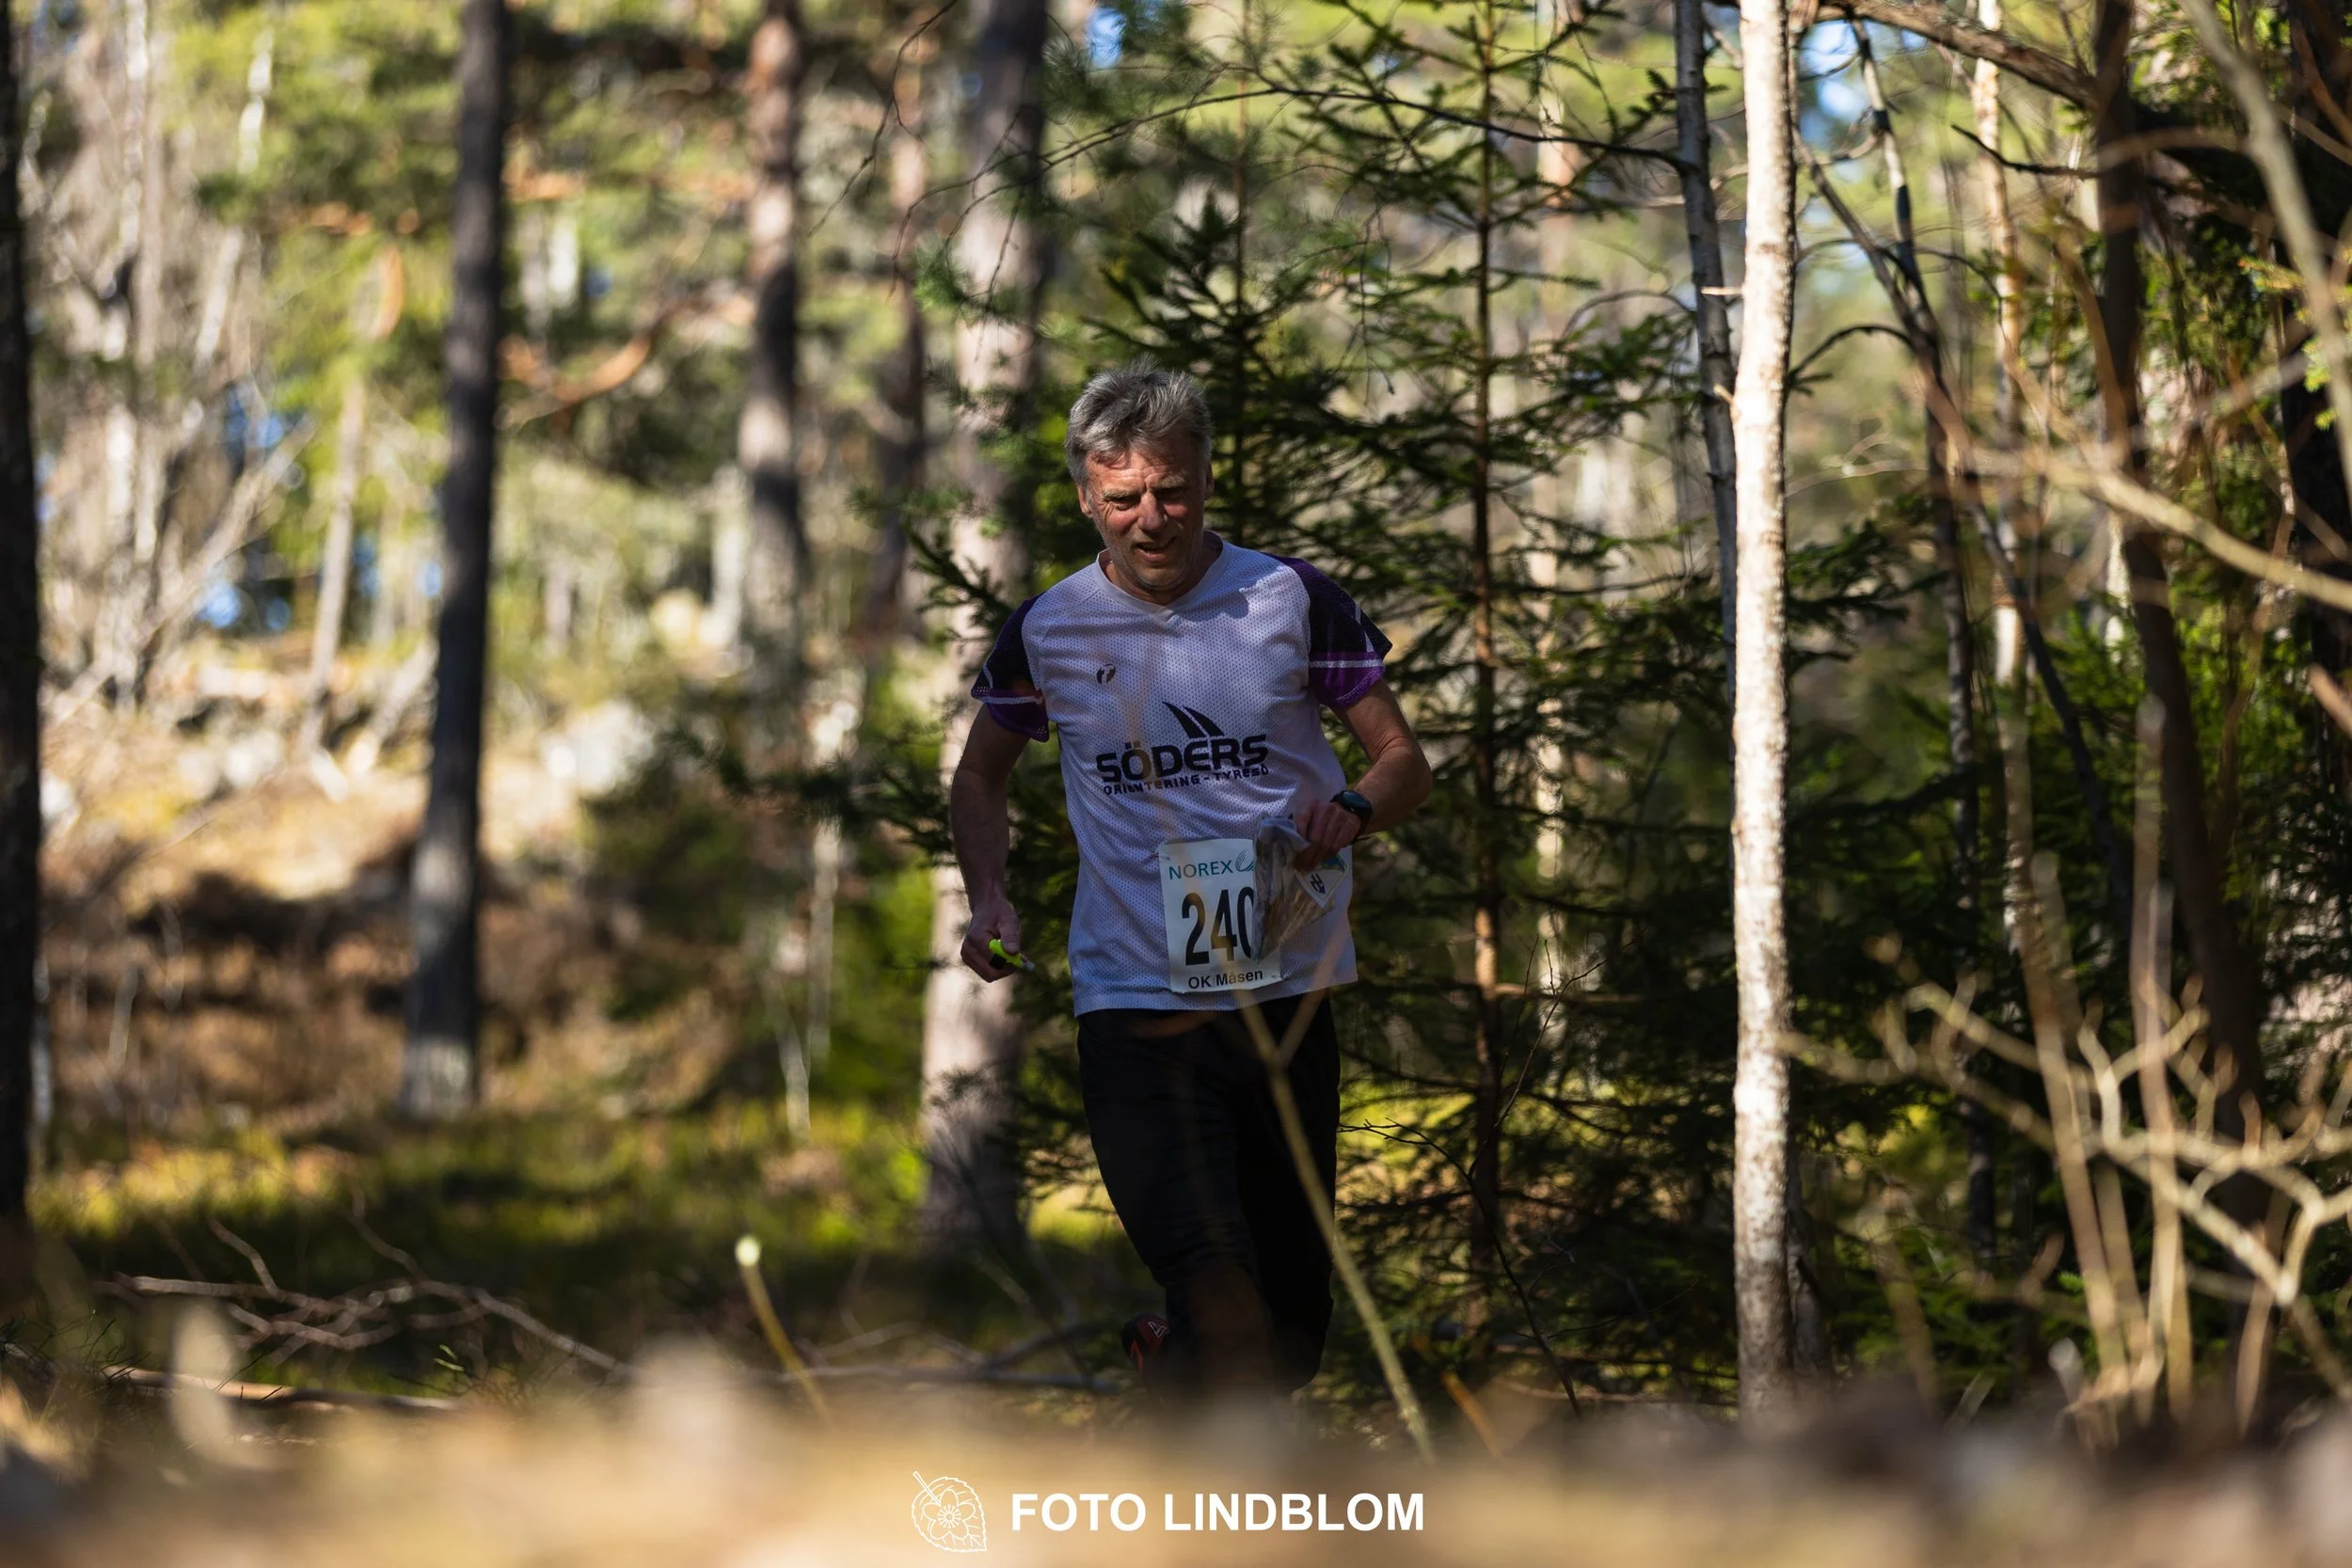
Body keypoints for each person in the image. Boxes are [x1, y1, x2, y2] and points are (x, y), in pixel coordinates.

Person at [949, 362, 1432, 1398]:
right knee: (1222, 1298)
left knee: (1291, 1333)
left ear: (1205, 478)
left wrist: (1348, 810)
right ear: (1086, 494)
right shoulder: (1051, 627)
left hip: (1286, 1003)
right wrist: (986, 896)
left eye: (1171, 491)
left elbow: (1404, 765)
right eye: (1122, 498)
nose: (1150, 518)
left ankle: (1166, 1377)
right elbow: (980, 775)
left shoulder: (1291, 599)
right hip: (1134, 1005)